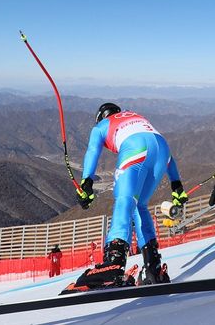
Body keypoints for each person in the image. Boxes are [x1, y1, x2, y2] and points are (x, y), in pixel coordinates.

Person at [71, 103, 187, 289]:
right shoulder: (135, 116)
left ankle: (113, 262)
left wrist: (87, 182)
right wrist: (177, 185)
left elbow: (93, 150)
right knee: (139, 205)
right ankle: (153, 268)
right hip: (162, 149)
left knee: (124, 199)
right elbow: (168, 157)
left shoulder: (101, 126)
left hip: (136, 146)